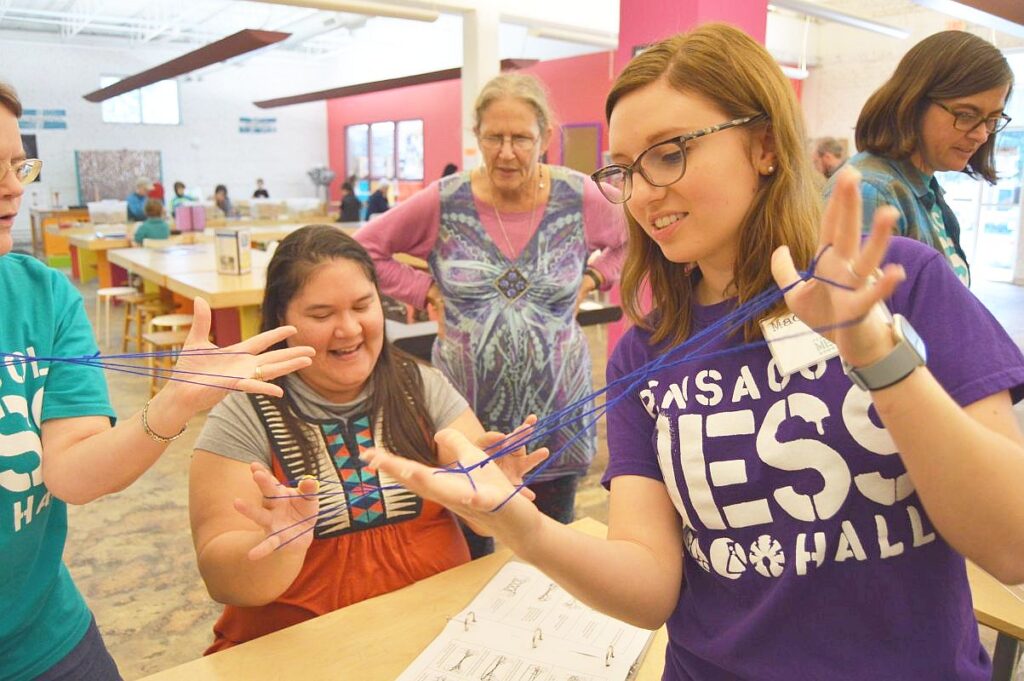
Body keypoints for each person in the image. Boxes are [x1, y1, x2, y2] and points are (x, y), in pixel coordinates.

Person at [361, 24, 1024, 680]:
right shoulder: (646, 354)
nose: (644, 193)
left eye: (670, 152)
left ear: (764, 145)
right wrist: (523, 530)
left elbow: (1011, 543)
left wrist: (877, 353)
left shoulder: (901, 284)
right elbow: (651, 585)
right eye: (625, 169)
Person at [0, 81, 315, 681]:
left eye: (18, 164)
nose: (14, 186)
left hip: (42, 638)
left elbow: (69, 472)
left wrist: (172, 404)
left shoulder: (42, 298)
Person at [188, 225, 543, 652]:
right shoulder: (242, 415)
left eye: (363, 305)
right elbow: (221, 578)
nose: (349, 329)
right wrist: (280, 547)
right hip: (303, 652)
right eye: (321, 315)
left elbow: (483, 514)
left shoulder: (423, 388)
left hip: (435, 634)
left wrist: (492, 498)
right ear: (281, 320)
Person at [355, 72, 627, 558]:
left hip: (555, 414)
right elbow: (365, 249)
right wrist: (424, 288)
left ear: (544, 137)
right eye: (493, 137)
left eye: (521, 138)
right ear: (477, 136)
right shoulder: (446, 200)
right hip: (467, 417)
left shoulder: (578, 195)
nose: (506, 152)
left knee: (551, 557)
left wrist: (595, 278)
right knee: (473, 559)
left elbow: (633, 242)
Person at [826, 31, 1013, 286]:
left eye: (992, 120)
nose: (981, 135)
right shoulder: (873, 192)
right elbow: (859, 317)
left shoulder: (923, 187)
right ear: (913, 103)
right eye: (966, 115)